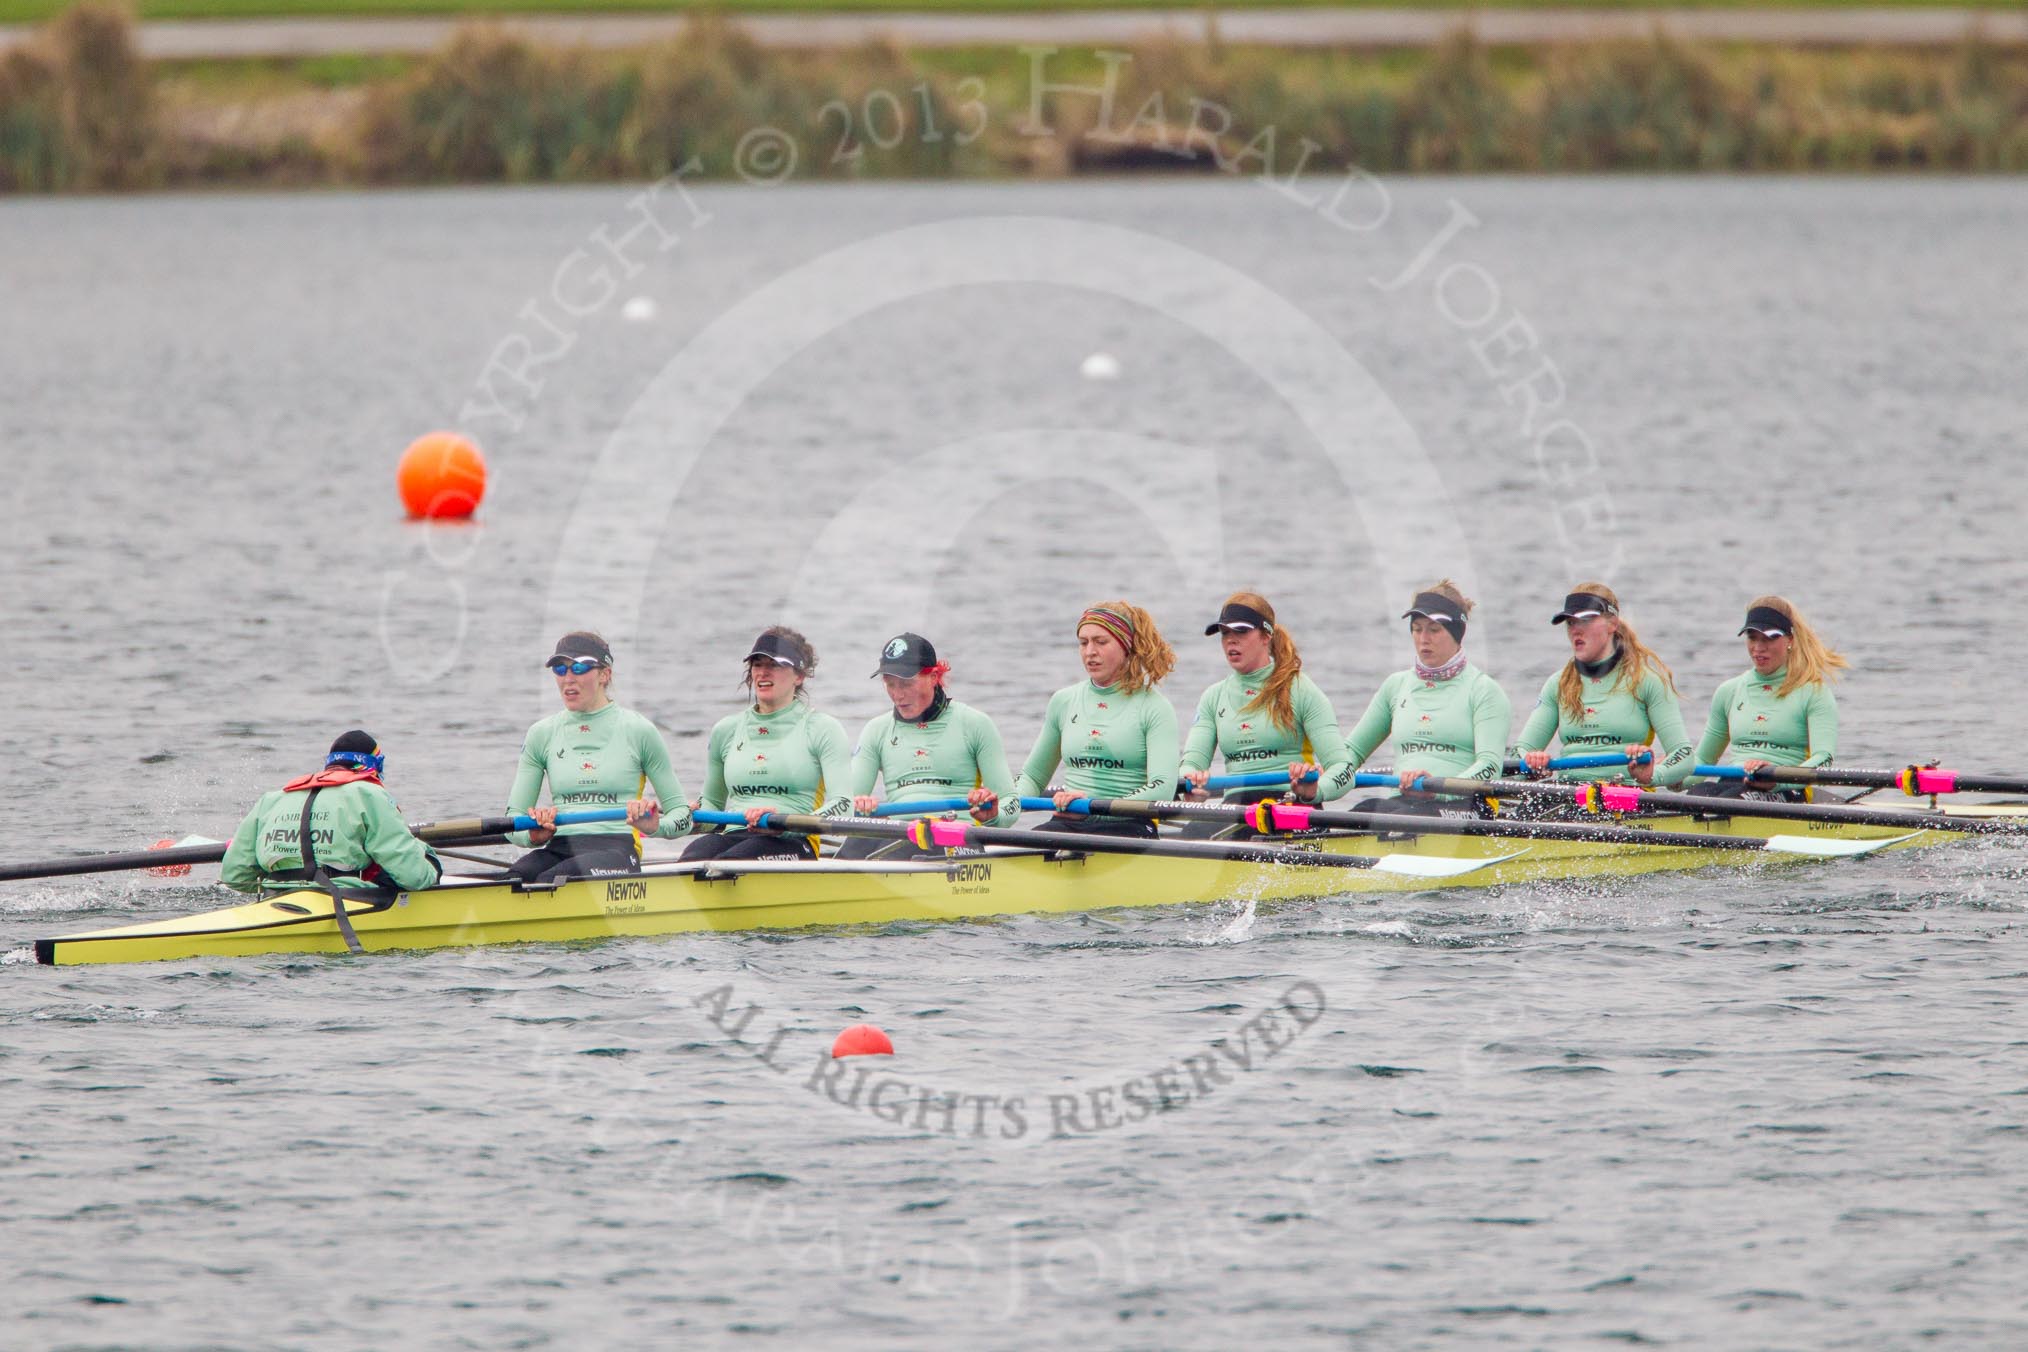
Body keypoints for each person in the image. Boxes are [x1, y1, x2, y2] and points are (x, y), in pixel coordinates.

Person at [1308, 580, 1513, 819]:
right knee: (1362, 812)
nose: (1424, 638)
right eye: (1417, 629)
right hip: (1404, 806)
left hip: (1466, 806)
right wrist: (1316, 789)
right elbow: (1350, 755)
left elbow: (1490, 767)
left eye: (1434, 630)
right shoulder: (1396, 686)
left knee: (1399, 820)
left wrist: (1437, 790)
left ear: (1457, 632)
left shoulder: (1484, 691)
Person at [506, 631, 691, 884]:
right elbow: (512, 821)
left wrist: (655, 827)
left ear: (605, 674)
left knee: (551, 880)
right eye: (560, 669)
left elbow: (682, 816)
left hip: (618, 850)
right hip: (559, 846)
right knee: (513, 879)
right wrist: (531, 836)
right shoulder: (541, 734)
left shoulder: (639, 730)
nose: (568, 679)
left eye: (579, 668)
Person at [1178, 593, 1349, 838]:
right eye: (1225, 633)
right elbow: (1191, 764)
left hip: (1291, 806)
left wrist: (1313, 791)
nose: (1231, 640)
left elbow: (1343, 769)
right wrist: (1190, 782)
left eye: (1241, 631)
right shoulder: (1213, 697)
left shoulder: (1301, 690)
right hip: (1237, 809)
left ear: (1266, 636)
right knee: (1191, 835)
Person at [840, 632, 1022, 859]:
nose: (897, 695)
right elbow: (843, 804)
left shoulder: (975, 724)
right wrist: (859, 806)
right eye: (890, 684)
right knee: (857, 842)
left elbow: (1011, 803)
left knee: (908, 846)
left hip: (957, 837)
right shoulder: (876, 730)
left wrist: (993, 816)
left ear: (934, 677)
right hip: (901, 834)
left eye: (906, 683)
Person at [685, 626, 853, 862]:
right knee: (694, 855)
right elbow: (712, 805)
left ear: (799, 675)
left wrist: (783, 825)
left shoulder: (822, 729)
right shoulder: (726, 729)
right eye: (757, 664)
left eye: (774, 665)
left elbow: (843, 805)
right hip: (735, 834)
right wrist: (684, 818)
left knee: (730, 863)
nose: (763, 673)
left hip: (794, 841)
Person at [1014, 601, 1180, 839]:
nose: (1090, 651)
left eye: (1101, 642)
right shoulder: (1063, 701)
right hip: (1069, 823)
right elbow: (1032, 777)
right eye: (1083, 643)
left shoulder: (1155, 707)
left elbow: (1162, 788)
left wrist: (1093, 809)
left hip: (1129, 826)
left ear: (1126, 646)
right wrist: (1002, 807)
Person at [1514, 582, 1694, 788]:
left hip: (1627, 792)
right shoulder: (1558, 684)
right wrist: (1531, 765)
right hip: (1570, 793)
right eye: (1570, 622)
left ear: (1612, 624)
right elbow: (1518, 753)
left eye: (1585, 620)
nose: (1576, 630)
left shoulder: (1647, 682)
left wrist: (1652, 775)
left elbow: (1684, 755)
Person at [222, 730, 442, 897]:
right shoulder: (369, 795)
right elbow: (414, 877)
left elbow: (235, 876)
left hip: (275, 899)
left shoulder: (272, 799)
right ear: (375, 766)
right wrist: (422, 852)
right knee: (424, 864)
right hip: (344, 898)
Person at [1689, 596, 1847, 800]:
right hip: (1733, 783)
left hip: (1786, 789)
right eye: (1752, 637)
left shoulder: (1814, 693)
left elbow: (1823, 759)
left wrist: (1776, 779)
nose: (1758, 647)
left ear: (1790, 640)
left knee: (1730, 801)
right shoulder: (1728, 691)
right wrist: (1665, 774)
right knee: (1696, 794)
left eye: (1768, 638)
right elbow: (1702, 759)